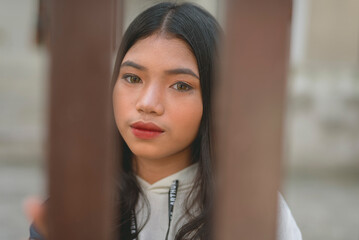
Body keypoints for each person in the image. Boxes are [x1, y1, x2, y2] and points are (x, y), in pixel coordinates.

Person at [28, 2, 302, 240]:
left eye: (181, 85)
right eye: (133, 78)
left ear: (216, 99)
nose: (147, 103)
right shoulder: (76, 204)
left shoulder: (254, 211)